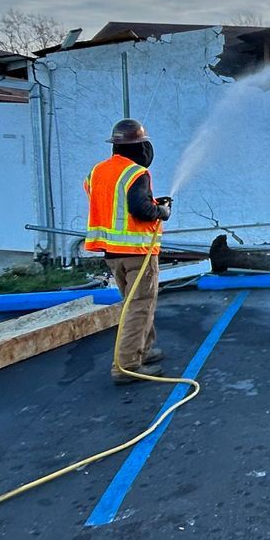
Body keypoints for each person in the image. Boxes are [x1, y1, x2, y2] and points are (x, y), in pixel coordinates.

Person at [84, 118, 173, 384]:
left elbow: (116, 204)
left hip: (112, 253)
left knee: (134, 304)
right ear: (139, 147)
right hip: (137, 253)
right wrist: (161, 211)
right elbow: (139, 209)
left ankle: (141, 350)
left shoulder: (97, 172)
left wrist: (152, 201)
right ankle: (127, 366)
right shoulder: (136, 173)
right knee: (140, 307)